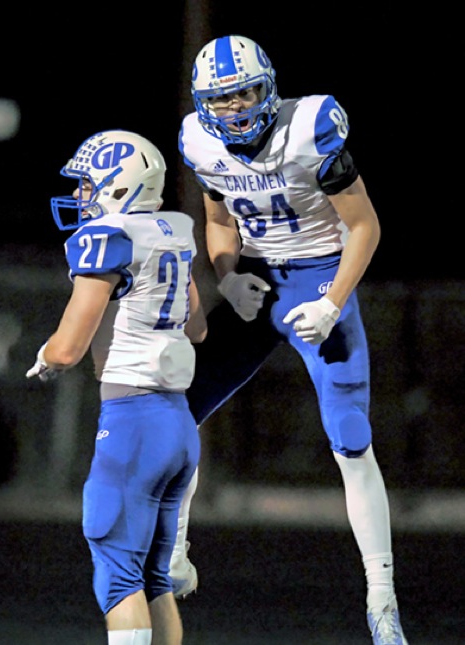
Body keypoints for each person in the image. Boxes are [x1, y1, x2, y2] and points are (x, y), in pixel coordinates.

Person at [171, 34, 409, 645]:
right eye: (221, 99)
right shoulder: (199, 141)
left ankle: (381, 598)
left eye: (246, 93)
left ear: (269, 87)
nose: (236, 109)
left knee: (350, 438)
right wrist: (228, 276)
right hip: (259, 280)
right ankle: (173, 552)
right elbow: (218, 221)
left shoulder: (310, 128)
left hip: (321, 274)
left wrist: (333, 302)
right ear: (203, 104)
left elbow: (365, 226)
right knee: (176, 409)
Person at [26, 129, 207, 645]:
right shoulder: (171, 231)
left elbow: (68, 348)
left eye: (87, 184)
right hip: (178, 425)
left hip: (133, 424)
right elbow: (197, 327)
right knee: (154, 579)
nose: (79, 194)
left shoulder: (110, 236)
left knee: (119, 577)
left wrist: (46, 355)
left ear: (118, 185)